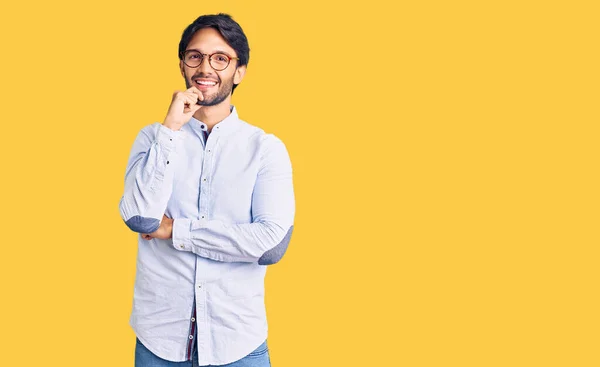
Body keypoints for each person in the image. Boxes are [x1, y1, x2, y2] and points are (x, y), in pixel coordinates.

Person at [118, 13, 295, 367]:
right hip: (159, 343)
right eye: (195, 56)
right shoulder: (153, 138)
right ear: (183, 65)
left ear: (239, 71)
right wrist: (171, 128)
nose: (205, 68)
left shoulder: (265, 148)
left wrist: (175, 230)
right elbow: (140, 216)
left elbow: (271, 244)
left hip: (238, 344)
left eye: (220, 58)